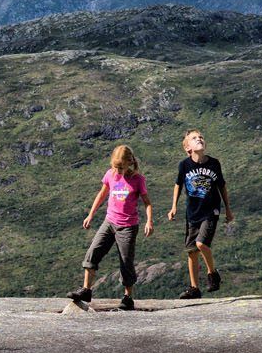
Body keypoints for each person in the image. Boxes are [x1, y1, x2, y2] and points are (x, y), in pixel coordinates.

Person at [71, 144, 153, 310]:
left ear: (129, 163)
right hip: (109, 222)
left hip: (128, 226)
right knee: (93, 252)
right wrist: (91, 214)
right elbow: (102, 194)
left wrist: (149, 221)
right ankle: (86, 290)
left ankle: (128, 298)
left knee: (126, 262)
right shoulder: (110, 174)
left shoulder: (138, 180)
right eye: (115, 166)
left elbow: (147, 203)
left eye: (121, 167)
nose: (118, 170)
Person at [168, 128, 233, 299]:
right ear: (187, 147)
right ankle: (194, 288)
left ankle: (212, 273)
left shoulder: (214, 163)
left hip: (211, 211)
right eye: (194, 138)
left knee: (201, 244)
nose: (199, 139)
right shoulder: (184, 165)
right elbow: (178, 185)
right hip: (192, 213)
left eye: (201, 137)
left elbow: (222, 186)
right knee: (191, 251)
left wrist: (228, 209)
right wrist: (173, 206)